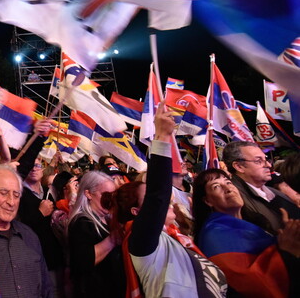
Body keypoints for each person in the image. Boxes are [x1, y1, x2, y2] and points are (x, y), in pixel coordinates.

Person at [112, 106, 227, 297]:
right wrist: (162, 138)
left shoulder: (175, 234)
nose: (168, 199)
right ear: (136, 211)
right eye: (146, 198)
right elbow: (158, 195)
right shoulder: (140, 240)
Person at [193, 168, 300, 297]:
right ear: (207, 201)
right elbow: (249, 284)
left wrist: (288, 233)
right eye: (216, 186)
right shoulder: (214, 235)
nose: (228, 188)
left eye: (228, 182)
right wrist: (286, 252)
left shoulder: (255, 221)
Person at [0, 164, 53, 298]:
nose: (11, 202)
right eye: (4, 193)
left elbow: (46, 289)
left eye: (16, 195)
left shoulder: (29, 236)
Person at [222, 141, 300, 235]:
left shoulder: (275, 192)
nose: (268, 165)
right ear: (239, 166)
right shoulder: (236, 201)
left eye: (266, 159)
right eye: (258, 161)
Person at [67, 168, 123, 298]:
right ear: (88, 194)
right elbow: (83, 261)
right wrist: (113, 239)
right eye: (106, 195)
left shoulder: (107, 219)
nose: (111, 200)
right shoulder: (81, 221)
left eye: (113, 195)